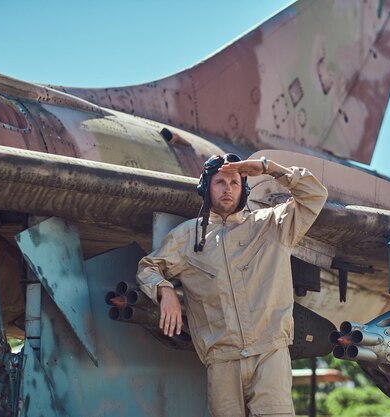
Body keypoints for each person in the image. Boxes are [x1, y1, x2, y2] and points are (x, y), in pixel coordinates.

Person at [136, 153, 328, 417]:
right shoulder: (188, 237)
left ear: (244, 189)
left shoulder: (272, 225)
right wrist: (164, 289)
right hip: (222, 361)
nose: (227, 189)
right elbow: (149, 267)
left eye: (234, 183)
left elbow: (315, 195)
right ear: (206, 188)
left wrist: (268, 168)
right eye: (220, 182)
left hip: (269, 354)